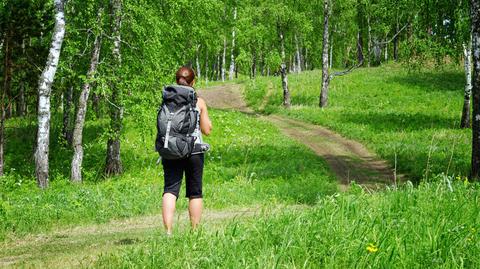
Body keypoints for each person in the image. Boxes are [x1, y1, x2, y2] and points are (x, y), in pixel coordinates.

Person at [162, 66, 212, 235]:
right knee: (195, 193)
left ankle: (168, 232)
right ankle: (194, 231)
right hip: (195, 150)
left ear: (177, 81)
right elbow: (207, 130)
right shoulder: (199, 102)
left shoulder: (167, 100)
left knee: (170, 189)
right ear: (193, 81)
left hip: (172, 149)